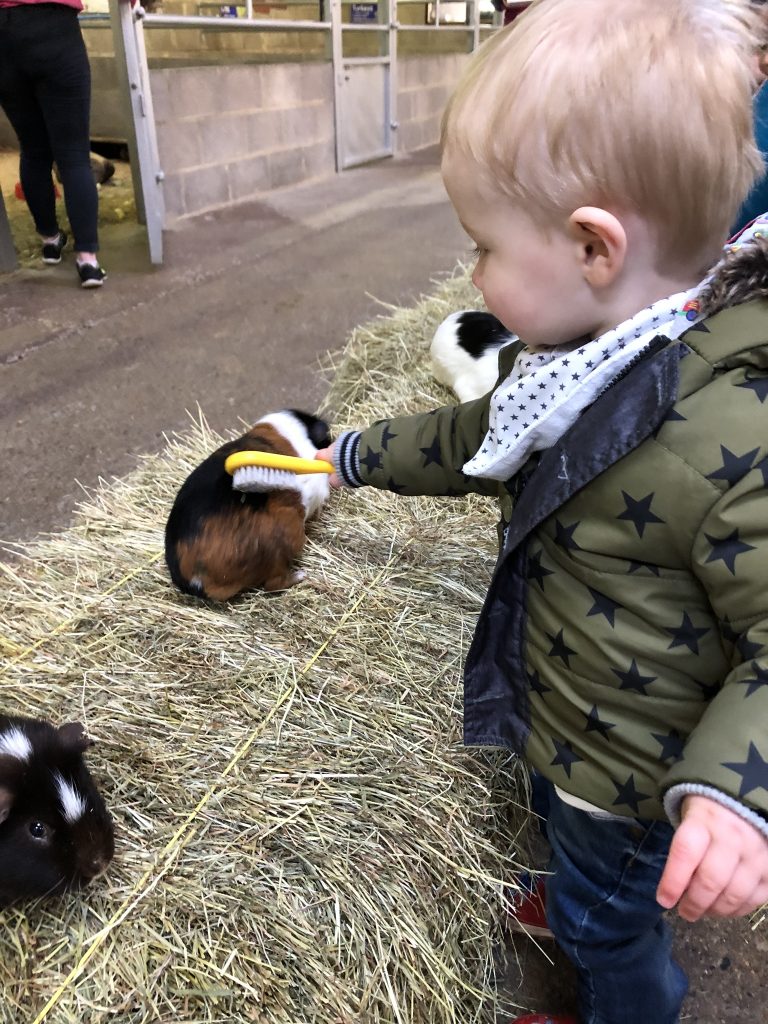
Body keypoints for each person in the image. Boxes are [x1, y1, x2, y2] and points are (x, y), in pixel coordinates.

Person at [316, 1, 768, 1022]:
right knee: (576, 859)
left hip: (631, 765)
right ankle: (572, 891)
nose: (473, 276)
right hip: (566, 708)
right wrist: (345, 457)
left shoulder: (731, 431)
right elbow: (468, 443)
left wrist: (737, 793)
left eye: (482, 246)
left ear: (594, 247)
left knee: (618, 927)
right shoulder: (567, 366)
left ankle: (622, 994)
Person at [0, 0, 107, 287]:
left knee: (33, 150)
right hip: (54, 28)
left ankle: (50, 240)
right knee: (73, 155)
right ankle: (88, 260)